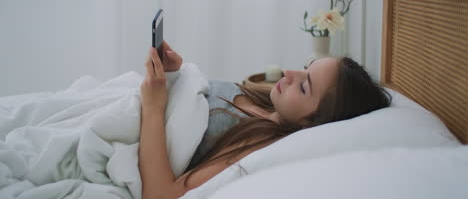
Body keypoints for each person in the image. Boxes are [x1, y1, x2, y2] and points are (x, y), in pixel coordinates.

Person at [139, 41, 392, 199]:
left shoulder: (256, 144)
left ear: (314, 124)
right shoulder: (266, 102)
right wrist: (175, 76)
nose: (289, 73)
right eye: (306, 67)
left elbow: (162, 195)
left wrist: (153, 107)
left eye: (305, 87)